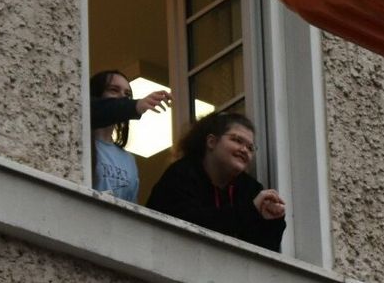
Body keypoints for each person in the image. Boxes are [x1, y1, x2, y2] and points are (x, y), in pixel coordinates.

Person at [146, 112, 287, 252]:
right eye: (237, 140)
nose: (244, 150)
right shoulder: (181, 174)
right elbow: (190, 227)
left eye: (250, 148)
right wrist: (250, 211)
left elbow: (265, 251)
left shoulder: (250, 188)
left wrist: (273, 220)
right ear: (211, 142)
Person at [90, 70, 172, 202]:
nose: (122, 97)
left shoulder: (128, 159)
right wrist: (136, 105)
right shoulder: (80, 144)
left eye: (127, 94)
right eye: (114, 90)